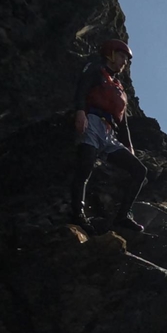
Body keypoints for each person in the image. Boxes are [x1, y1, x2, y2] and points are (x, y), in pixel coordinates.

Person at [70, 39, 147, 234]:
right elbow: (82, 89)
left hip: (109, 132)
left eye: (127, 59)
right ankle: (77, 214)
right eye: (122, 56)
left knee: (139, 170)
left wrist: (128, 146)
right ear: (111, 54)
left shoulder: (119, 87)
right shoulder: (95, 69)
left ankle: (123, 216)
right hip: (92, 122)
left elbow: (123, 121)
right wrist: (80, 112)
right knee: (84, 168)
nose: (124, 62)